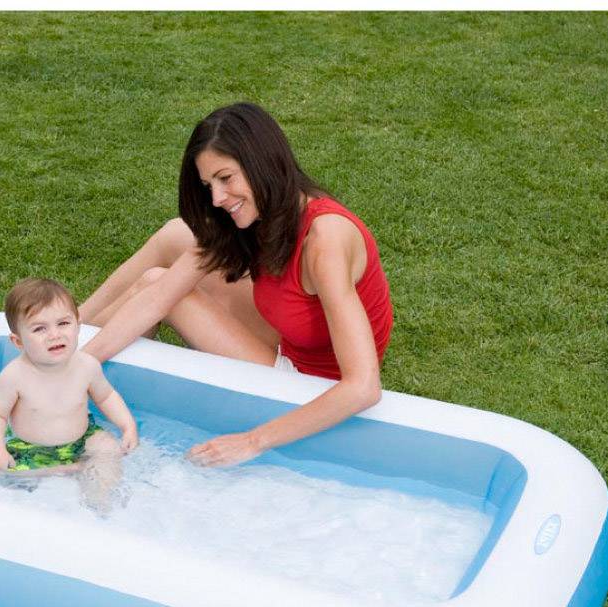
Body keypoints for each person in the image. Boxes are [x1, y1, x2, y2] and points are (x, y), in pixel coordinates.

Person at [79, 102, 393, 468]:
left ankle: (68, 373)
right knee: (176, 237)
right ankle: (71, 337)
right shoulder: (266, 213)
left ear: (262, 163)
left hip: (308, 382)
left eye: (226, 179)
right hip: (294, 333)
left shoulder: (325, 241)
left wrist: (253, 441)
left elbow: (363, 387)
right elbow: (156, 300)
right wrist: (81, 361)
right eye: (208, 184)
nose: (217, 198)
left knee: (159, 284)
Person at [0, 277, 138, 512]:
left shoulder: (87, 365)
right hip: (31, 450)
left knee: (107, 448)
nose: (54, 335)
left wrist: (128, 426)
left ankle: (101, 501)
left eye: (63, 324)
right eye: (39, 328)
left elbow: (106, 397)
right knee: (8, 474)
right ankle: (51, 492)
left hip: (81, 440)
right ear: (18, 341)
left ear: (78, 325)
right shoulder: (14, 376)